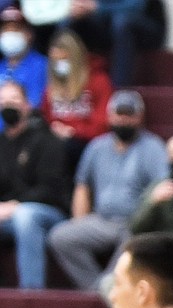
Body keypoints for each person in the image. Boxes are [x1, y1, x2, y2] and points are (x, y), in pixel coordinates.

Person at [47, 87, 166, 290]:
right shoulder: (97, 147)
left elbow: (162, 188)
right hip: (101, 220)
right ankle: (98, 289)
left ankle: (109, 290)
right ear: (110, 115)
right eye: (120, 114)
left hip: (135, 222)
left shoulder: (153, 147)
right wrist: (80, 222)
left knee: (135, 240)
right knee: (60, 236)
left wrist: (146, 217)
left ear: (140, 117)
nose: (124, 120)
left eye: (130, 115)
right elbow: (82, 186)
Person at [0, 76, 68, 287]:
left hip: (48, 213)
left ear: (27, 104)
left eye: (14, 99)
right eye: (3, 101)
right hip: (7, 215)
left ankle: (32, 296)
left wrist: (14, 205)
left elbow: (50, 188)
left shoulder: (46, 140)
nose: (8, 105)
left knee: (26, 216)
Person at [40, 27, 109, 171]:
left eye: (64, 59)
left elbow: (102, 125)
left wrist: (73, 131)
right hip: (56, 144)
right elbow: (46, 117)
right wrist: (54, 129)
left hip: (88, 144)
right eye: (56, 60)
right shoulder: (51, 87)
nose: (60, 65)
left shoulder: (98, 81)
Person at [64, 0, 166, 90]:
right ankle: (64, 86)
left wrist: (96, 7)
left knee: (122, 22)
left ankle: (119, 90)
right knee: (69, 23)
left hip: (145, 27)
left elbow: (135, 6)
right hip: (109, 27)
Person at [0, 4, 46, 106]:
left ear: (29, 34)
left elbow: (36, 104)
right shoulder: (1, 66)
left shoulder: (42, 65)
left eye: (15, 29)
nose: (10, 34)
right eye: (5, 29)